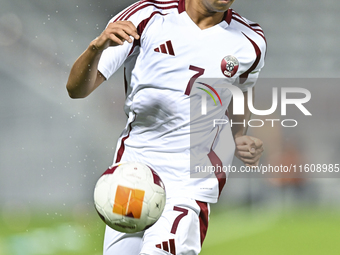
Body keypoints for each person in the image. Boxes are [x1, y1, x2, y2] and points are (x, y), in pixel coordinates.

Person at [66, 0, 265, 254]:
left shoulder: (251, 41)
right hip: (133, 176)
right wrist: (96, 48)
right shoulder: (147, 17)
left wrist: (238, 136)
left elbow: (243, 88)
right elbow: (76, 90)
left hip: (190, 183)